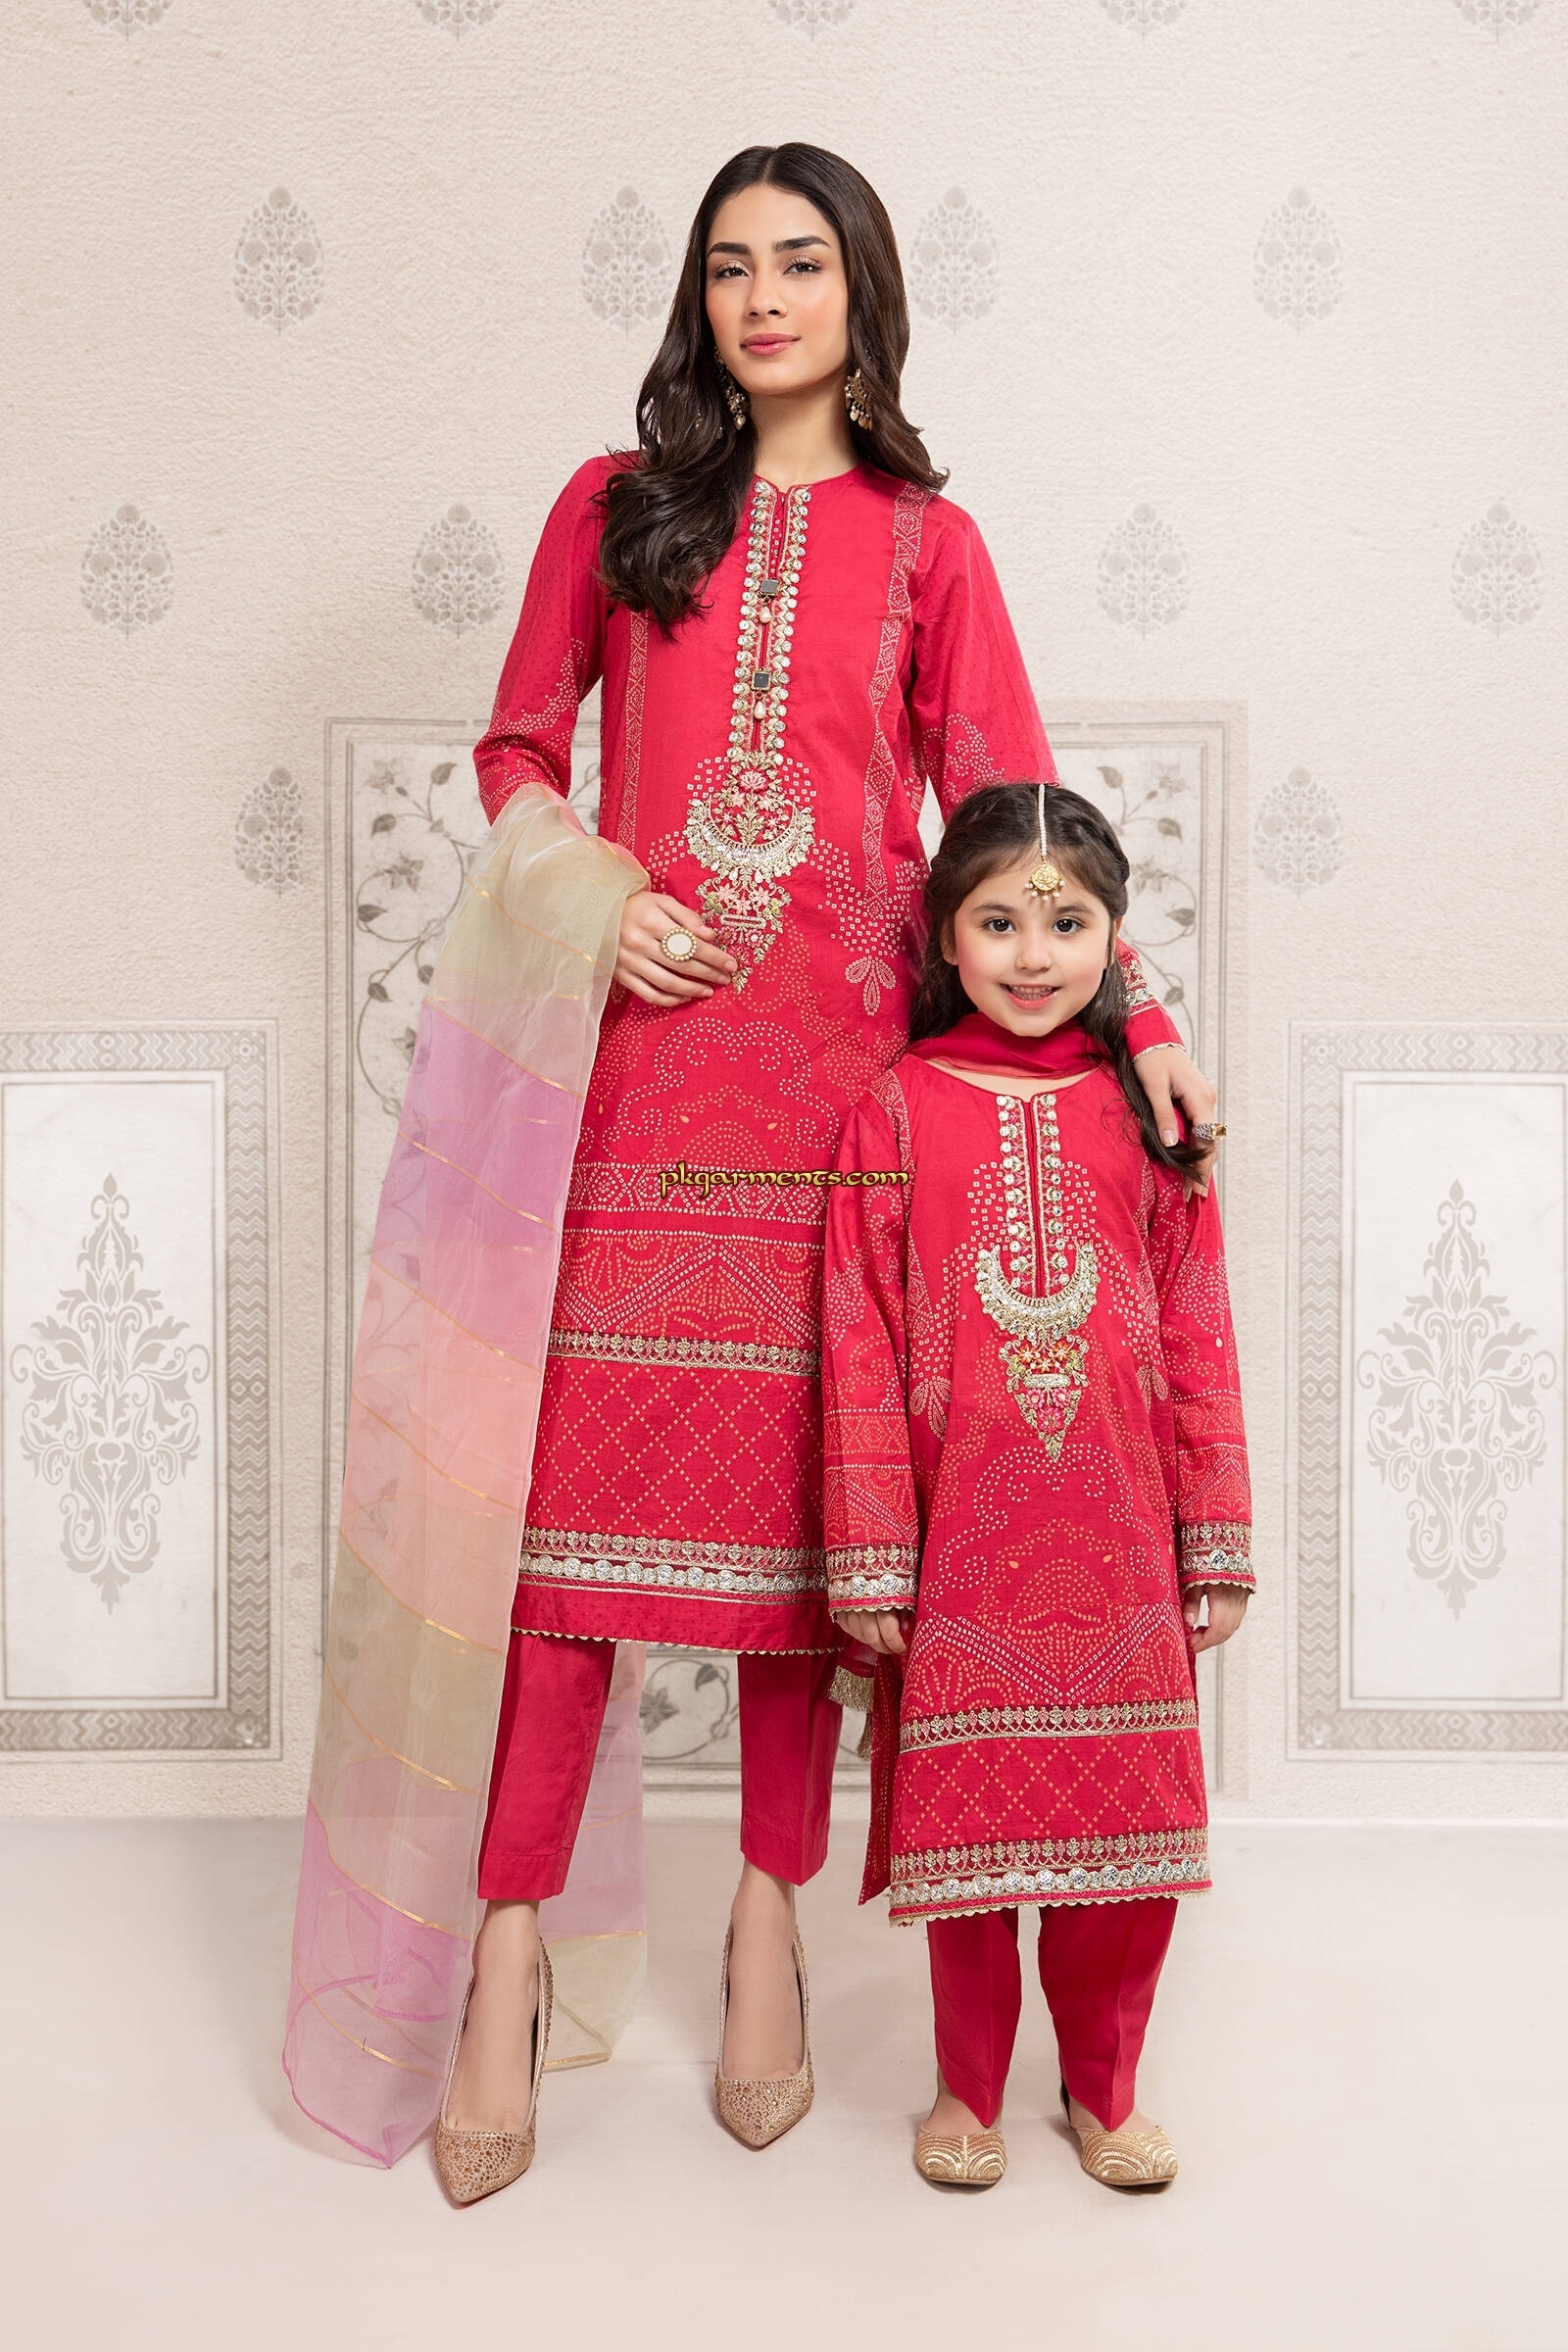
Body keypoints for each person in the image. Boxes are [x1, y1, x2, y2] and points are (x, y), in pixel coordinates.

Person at [286, 138, 1215, 2200]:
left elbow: (1005, 814)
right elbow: (517, 750)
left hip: (841, 1098)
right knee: (563, 1549)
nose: (763, 297)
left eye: (800, 262)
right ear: (695, 298)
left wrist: (1138, 1017)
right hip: (640, 1083)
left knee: (807, 1551)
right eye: (728, 267)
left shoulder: (930, 544)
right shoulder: (614, 512)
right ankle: (505, 1948)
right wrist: (597, 892)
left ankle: (766, 1925)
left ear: (862, 290)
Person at [821, 781, 1251, 2190]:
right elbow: (859, 1335)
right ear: (945, 935)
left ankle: (1105, 2088)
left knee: (1125, 1844)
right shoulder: (895, 1107)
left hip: (1122, 1540)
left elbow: (1197, 1326)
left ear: (1115, 939)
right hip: (959, 1537)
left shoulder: (1148, 1113)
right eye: (997, 921)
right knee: (970, 1829)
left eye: (1066, 925)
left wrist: (1215, 1536)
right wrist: (871, 1551)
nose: (1031, 954)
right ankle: (965, 2092)